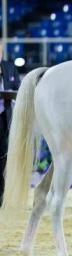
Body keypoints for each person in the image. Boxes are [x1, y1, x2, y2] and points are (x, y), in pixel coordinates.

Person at [0, 46, 21, 206]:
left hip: (5, 118)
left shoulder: (9, 67)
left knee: (4, 159)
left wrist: (12, 95)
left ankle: (4, 198)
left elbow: (19, 90)